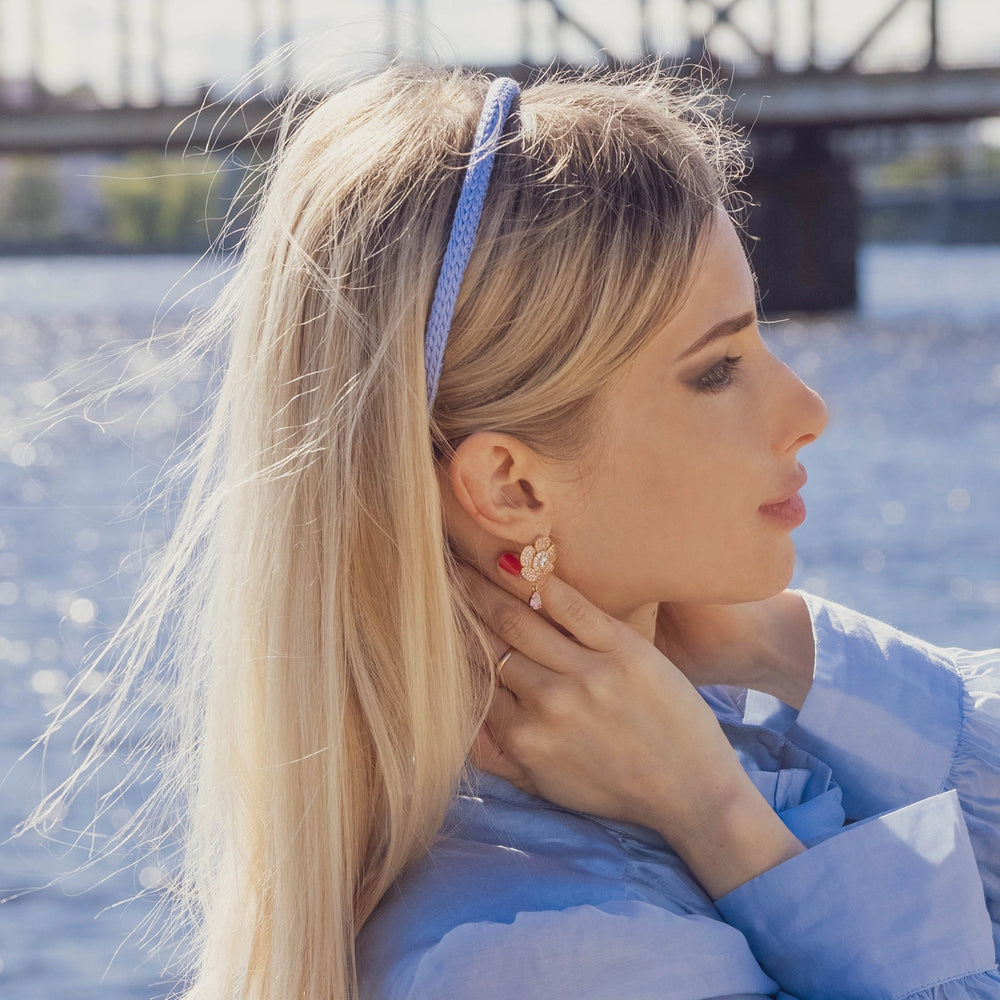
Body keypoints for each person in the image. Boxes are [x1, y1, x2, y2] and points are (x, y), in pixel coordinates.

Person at [25, 65, 1000, 999]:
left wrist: (781, 647)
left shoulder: (715, 729)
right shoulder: (543, 955)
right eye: (717, 370)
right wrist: (724, 822)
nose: (809, 407)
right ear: (509, 483)